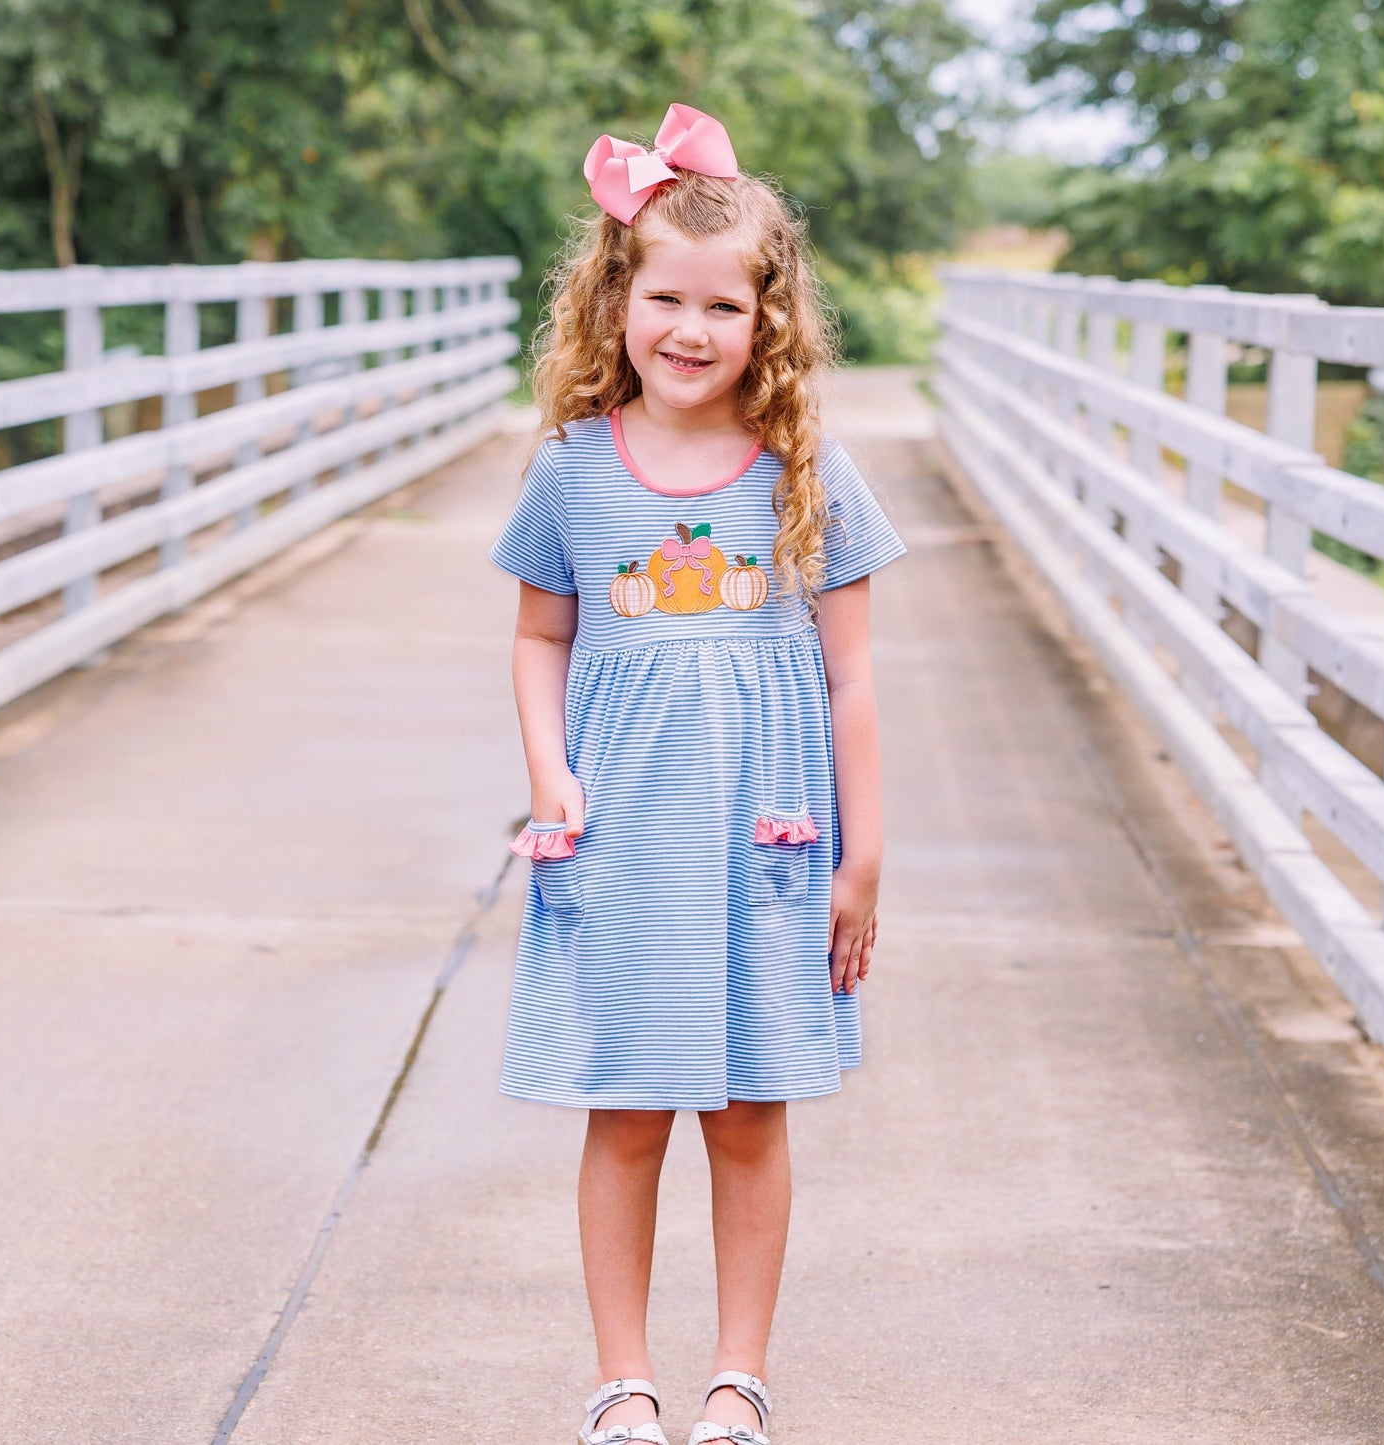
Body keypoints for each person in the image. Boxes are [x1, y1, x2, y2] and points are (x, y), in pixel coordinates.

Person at [488, 103, 907, 1445]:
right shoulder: (570, 471)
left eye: (720, 307)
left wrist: (864, 853)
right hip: (618, 837)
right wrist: (550, 774)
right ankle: (622, 1382)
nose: (687, 328)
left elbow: (850, 675)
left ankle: (737, 1379)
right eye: (661, 296)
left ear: (765, 320)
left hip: (767, 844)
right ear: (618, 302)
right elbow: (539, 634)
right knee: (623, 1116)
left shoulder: (802, 473)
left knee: (742, 1112)